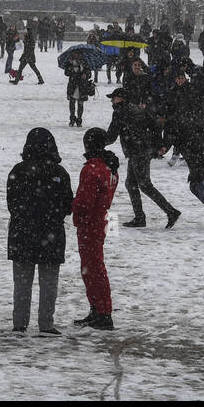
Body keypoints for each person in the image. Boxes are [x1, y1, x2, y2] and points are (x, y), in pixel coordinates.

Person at [8, 128, 74, 335]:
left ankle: (20, 323)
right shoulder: (59, 173)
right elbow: (68, 205)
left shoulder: (18, 171)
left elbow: (12, 204)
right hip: (51, 233)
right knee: (49, 283)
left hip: (22, 234)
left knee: (22, 283)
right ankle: (46, 323)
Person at [159, 80, 204, 230]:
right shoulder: (182, 122)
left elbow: (165, 147)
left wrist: (156, 150)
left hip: (200, 160)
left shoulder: (172, 127)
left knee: (202, 191)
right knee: (201, 190)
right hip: (202, 159)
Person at [106, 83, 180, 229]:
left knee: (144, 185)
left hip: (136, 151)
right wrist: (159, 145)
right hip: (143, 149)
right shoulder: (138, 109)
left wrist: (97, 143)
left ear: (120, 99)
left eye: (113, 98)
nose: (112, 101)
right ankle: (140, 217)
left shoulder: (120, 112)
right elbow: (155, 125)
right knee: (131, 184)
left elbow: (112, 136)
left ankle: (170, 212)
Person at [72, 127, 120, 330]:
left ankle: (101, 311)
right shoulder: (110, 167)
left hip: (90, 223)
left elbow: (84, 203)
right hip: (102, 220)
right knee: (94, 267)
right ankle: (100, 310)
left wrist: (69, 204)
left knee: (92, 269)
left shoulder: (92, 169)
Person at [64, 56, 93, 126]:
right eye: (74, 54)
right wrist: (70, 68)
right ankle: (72, 119)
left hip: (82, 86)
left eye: (78, 54)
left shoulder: (84, 63)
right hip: (72, 85)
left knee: (80, 104)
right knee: (72, 103)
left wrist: (85, 74)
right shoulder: (69, 63)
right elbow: (66, 73)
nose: (76, 56)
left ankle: (79, 119)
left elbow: (89, 74)